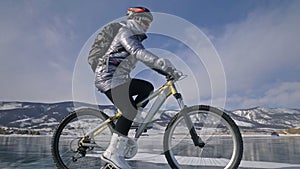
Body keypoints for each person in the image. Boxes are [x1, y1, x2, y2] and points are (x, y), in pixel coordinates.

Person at [94, 7, 178, 169]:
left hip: (119, 79)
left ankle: (128, 119)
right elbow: (138, 52)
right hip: (108, 78)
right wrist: (161, 62)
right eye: (146, 22)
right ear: (137, 19)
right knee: (129, 110)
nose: (148, 26)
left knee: (146, 87)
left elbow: (145, 59)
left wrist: (166, 70)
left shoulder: (135, 37)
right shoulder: (126, 33)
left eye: (149, 23)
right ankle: (112, 153)